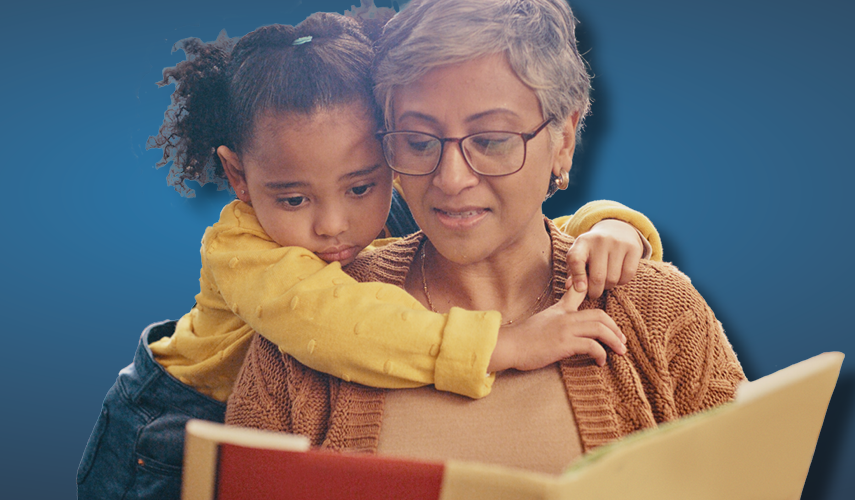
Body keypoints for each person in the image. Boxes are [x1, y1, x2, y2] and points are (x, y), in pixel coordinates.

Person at [78, 10, 667, 500]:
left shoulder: (392, 196)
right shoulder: (242, 251)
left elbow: (508, 222)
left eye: (361, 185)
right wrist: (499, 345)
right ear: (238, 176)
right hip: (164, 436)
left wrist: (611, 226)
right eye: (293, 197)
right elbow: (341, 327)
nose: (334, 223)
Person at [224, 0, 748, 474]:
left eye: (492, 140)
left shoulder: (656, 306)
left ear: (563, 140)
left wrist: (616, 222)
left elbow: (751, 478)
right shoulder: (306, 334)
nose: (450, 180)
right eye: (418, 140)